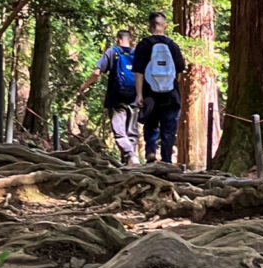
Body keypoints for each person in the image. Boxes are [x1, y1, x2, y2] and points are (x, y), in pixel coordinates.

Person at [75, 30, 140, 165]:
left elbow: (97, 72)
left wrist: (84, 86)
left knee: (119, 132)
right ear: (130, 40)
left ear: (118, 39)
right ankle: (128, 163)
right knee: (131, 132)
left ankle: (131, 156)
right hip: (134, 97)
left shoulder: (113, 52)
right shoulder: (137, 54)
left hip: (116, 97)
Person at [133, 11, 186, 163]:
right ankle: (167, 160)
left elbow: (138, 72)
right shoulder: (172, 46)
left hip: (150, 93)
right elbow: (179, 71)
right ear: (165, 26)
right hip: (170, 94)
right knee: (168, 128)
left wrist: (139, 94)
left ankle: (150, 152)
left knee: (151, 125)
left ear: (150, 26)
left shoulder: (144, 45)